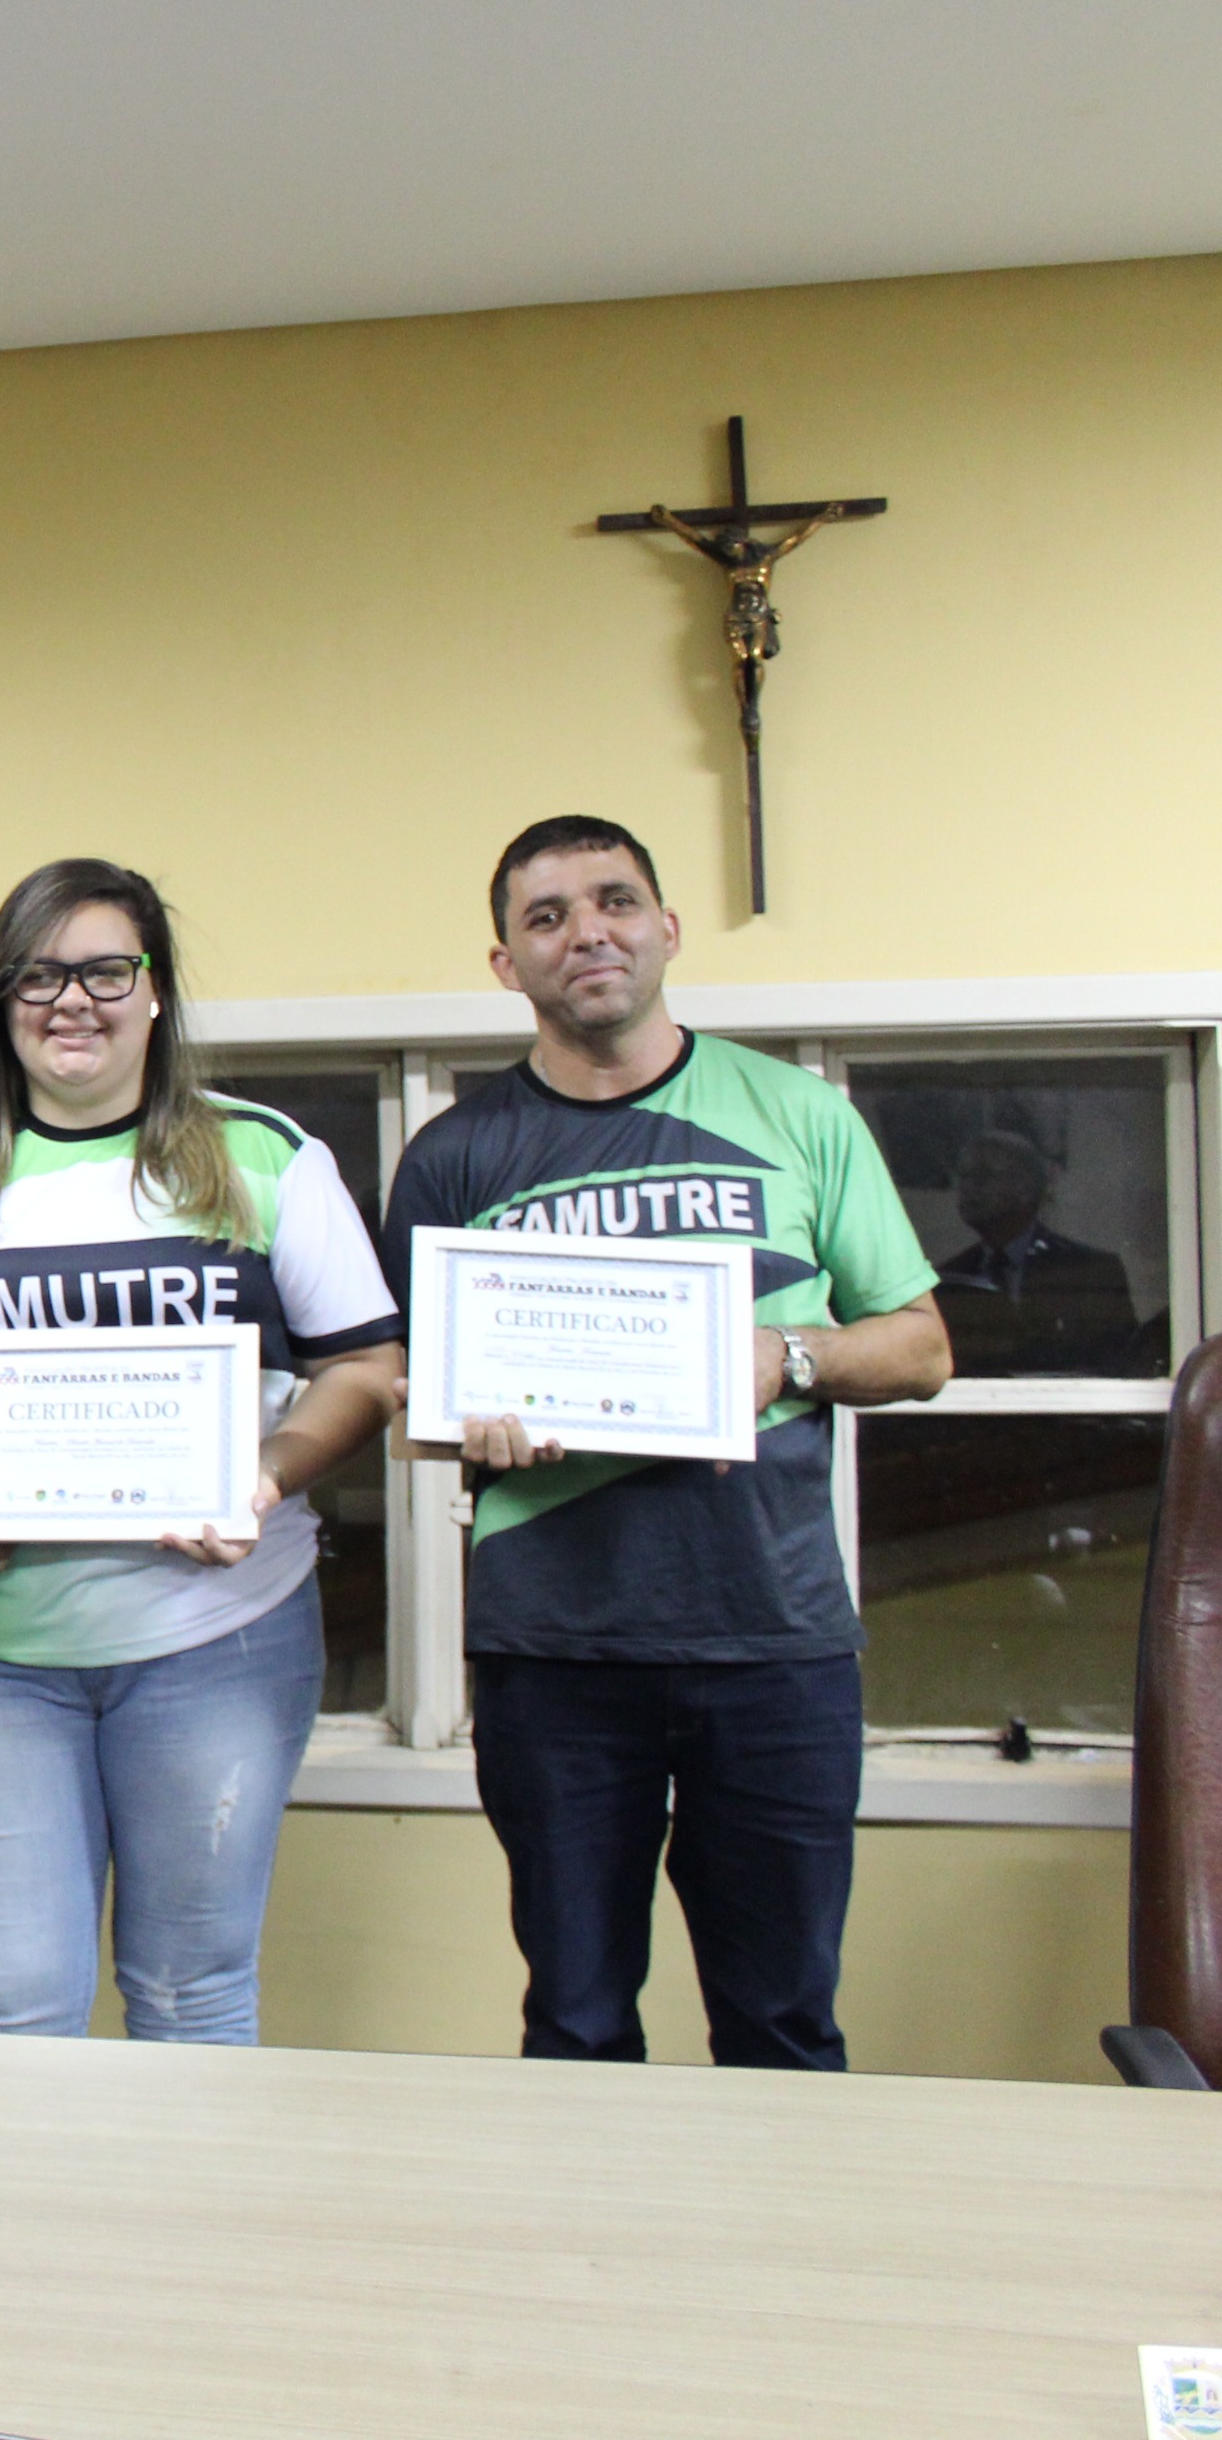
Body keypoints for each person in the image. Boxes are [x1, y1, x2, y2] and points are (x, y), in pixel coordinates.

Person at [381, 816, 948, 2069]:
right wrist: (460, 1423)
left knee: (780, 2023)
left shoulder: (796, 1114)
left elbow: (919, 1346)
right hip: (553, 1654)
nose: (585, 932)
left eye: (614, 900)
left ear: (666, 928)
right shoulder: (452, 1155)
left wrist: (785, 1355)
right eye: (544, 917)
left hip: (774, 1643)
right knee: (575, 2022)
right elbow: (400, 1395)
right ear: (505, 964)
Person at [0, 860, 402, 2044]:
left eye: (105, 970)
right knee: (6, 2005)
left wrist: (264, 1474)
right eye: (37, 974)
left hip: (215, 1635)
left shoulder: (265, 1155)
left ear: (153, 991)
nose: (71, 1000)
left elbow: (364, 1370)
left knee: (187, 1990)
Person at [928, 1129, 1152, 1376]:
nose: (969, 1187)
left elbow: (1120, 1366)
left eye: (985, 1175)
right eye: (964, 1176)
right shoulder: (949, 1280)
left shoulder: (1091, 1272)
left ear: (1026, 1187)